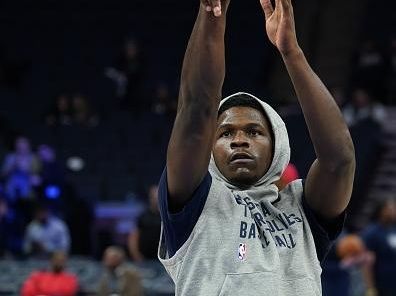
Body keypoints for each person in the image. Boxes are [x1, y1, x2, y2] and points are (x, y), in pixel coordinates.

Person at [157, 0, 355, 295]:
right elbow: (197, 108)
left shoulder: (302, 207)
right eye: (225, 133)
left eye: (254, 131)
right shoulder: (193, 202)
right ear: (209, 148)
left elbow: (339, 160)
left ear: (277, 145)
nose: (239, 140)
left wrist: (292, 53)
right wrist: (212, 14)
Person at [361, 198, 396, 296]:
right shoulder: (372, 232)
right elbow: (367, 263)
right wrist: (370, 287)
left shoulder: (394, 229)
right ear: (382, 211)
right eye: (390, 208)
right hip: (381, 285)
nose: (393, 211)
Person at [128, 185, 161, 262]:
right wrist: (135, 254)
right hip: (144, 259)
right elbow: (134, 236)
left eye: (158, 196)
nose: (156, 199)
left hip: (164, 259)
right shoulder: (143, 216)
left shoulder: (168, 216)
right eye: (154, 197)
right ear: (150, 198)